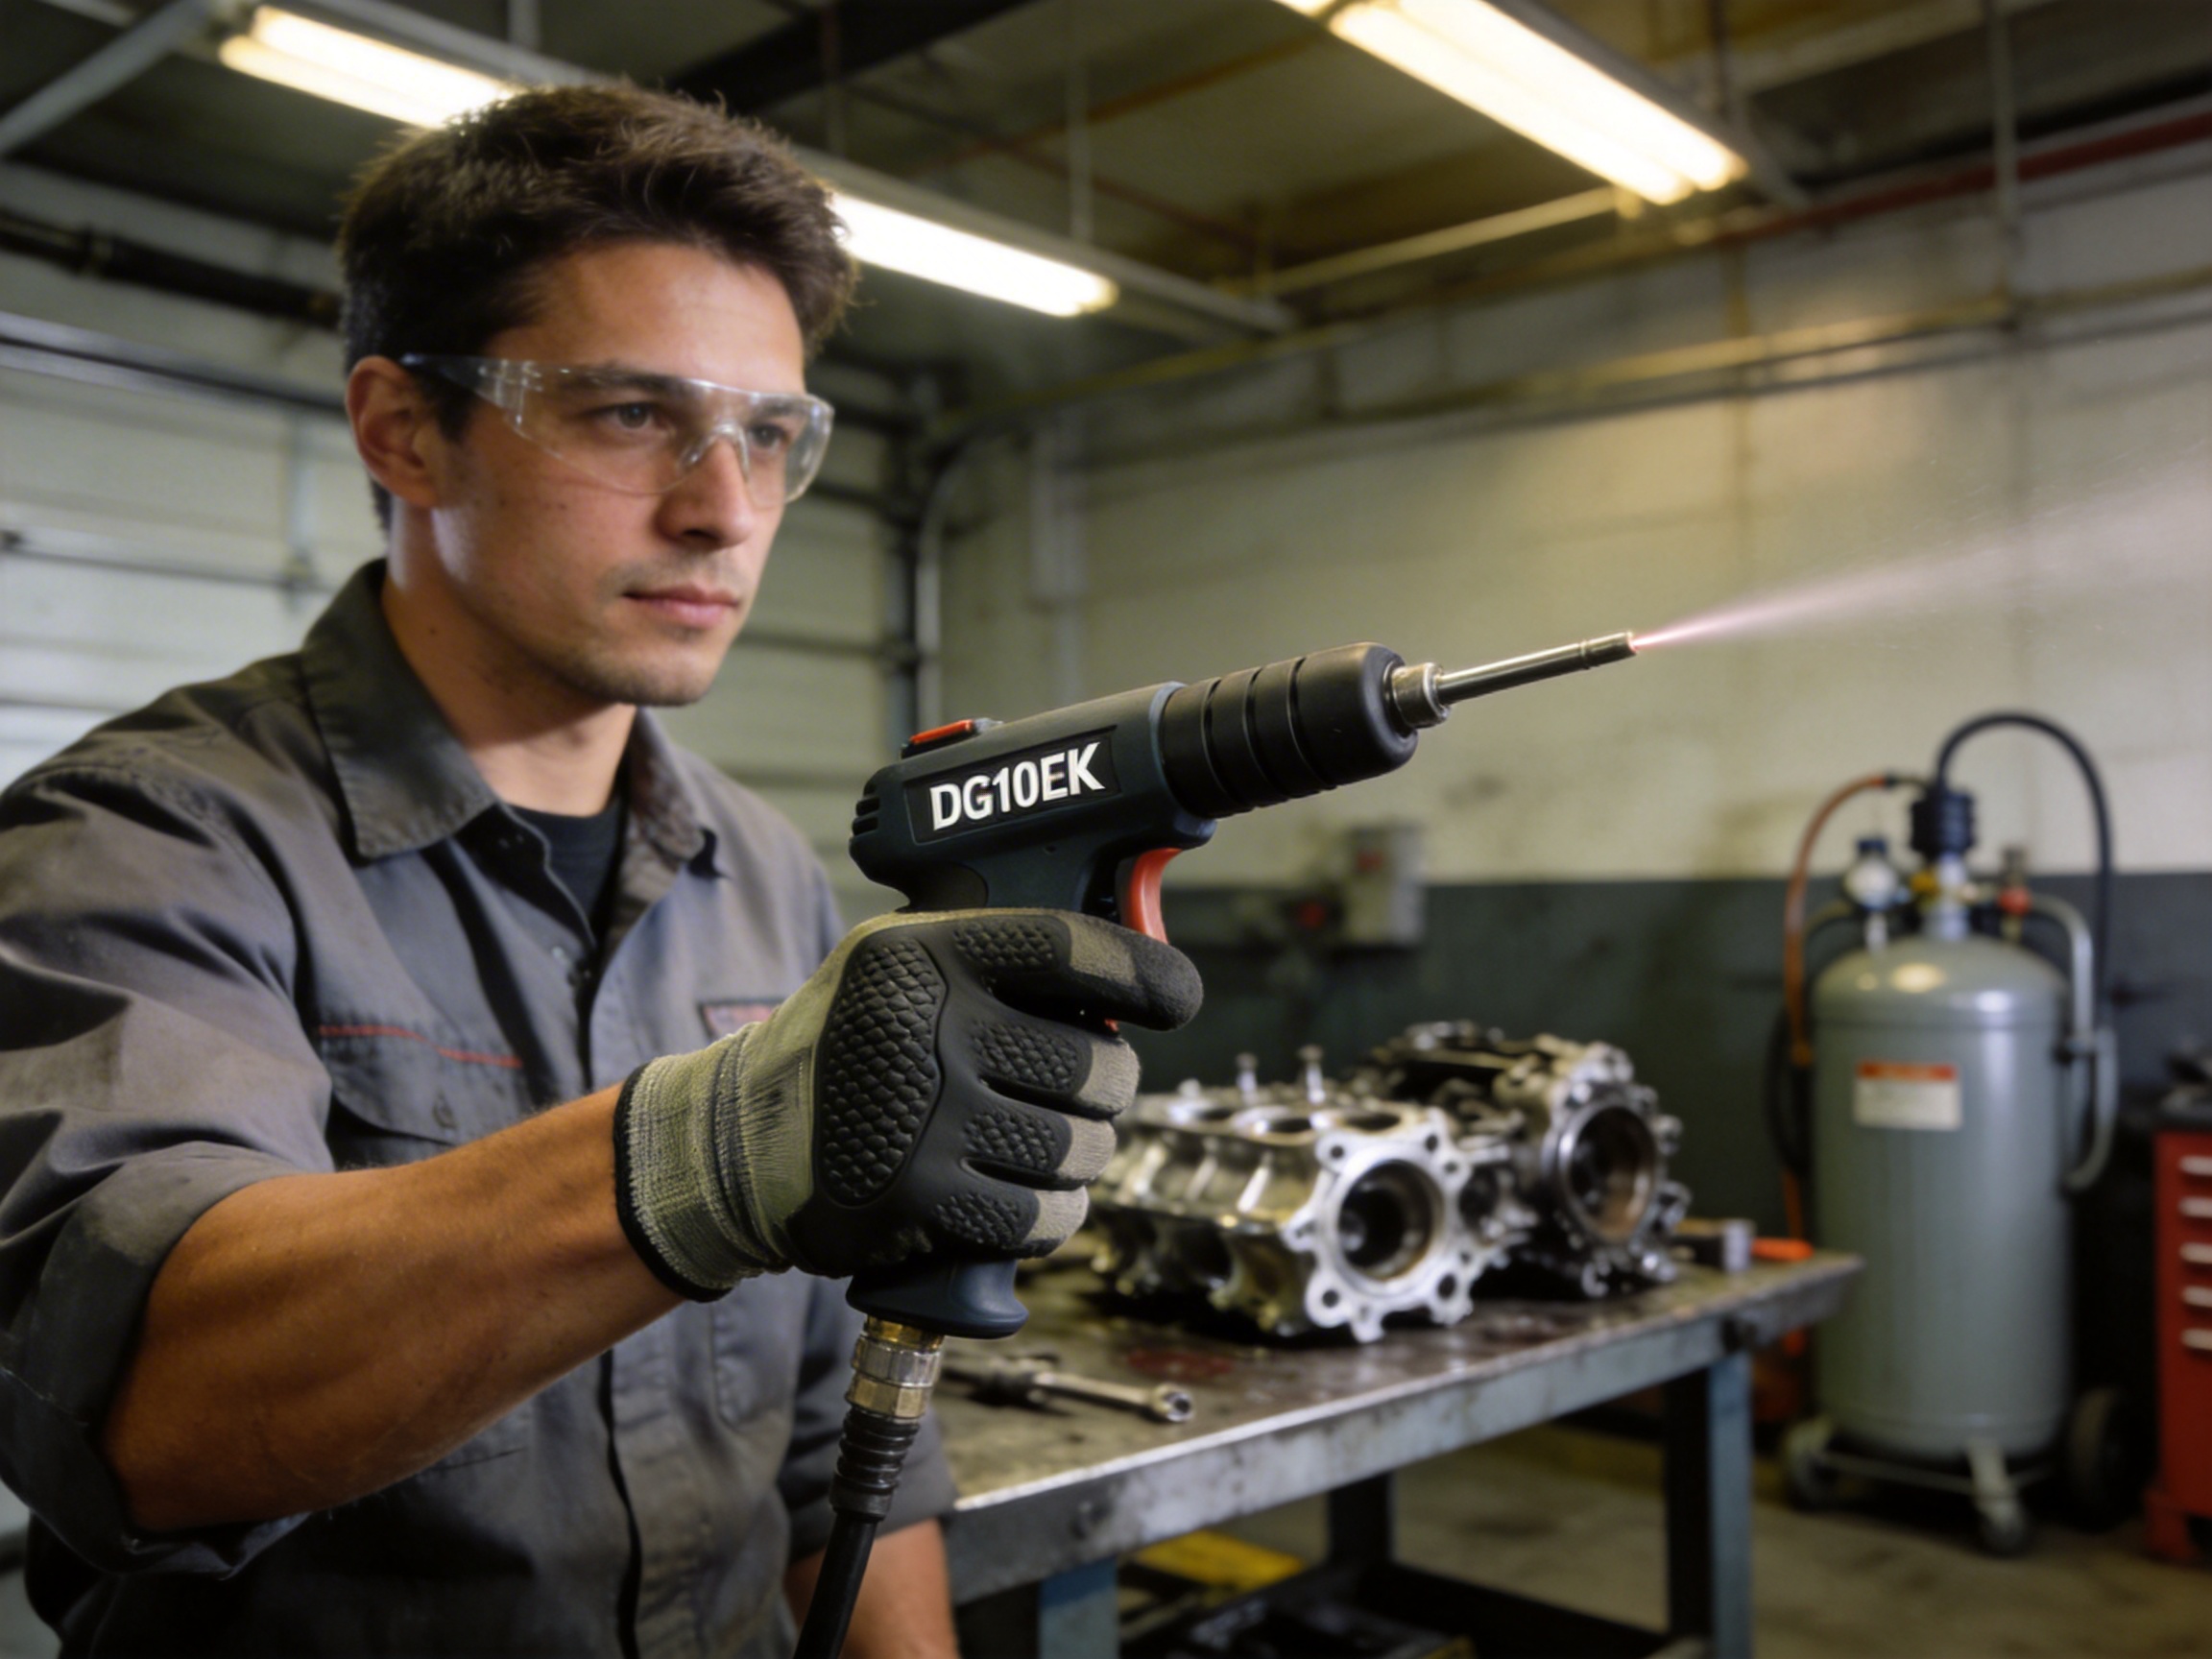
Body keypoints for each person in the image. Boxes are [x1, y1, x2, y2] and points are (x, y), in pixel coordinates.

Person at [0, 84, 1198, 1656]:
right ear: (403, 429)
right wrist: (713, 1150)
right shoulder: (143, 839)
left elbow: (832, 1437)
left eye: (769, 434)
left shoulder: (762, 871)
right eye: (631, 414)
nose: (723, 510)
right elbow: (149, 1416)